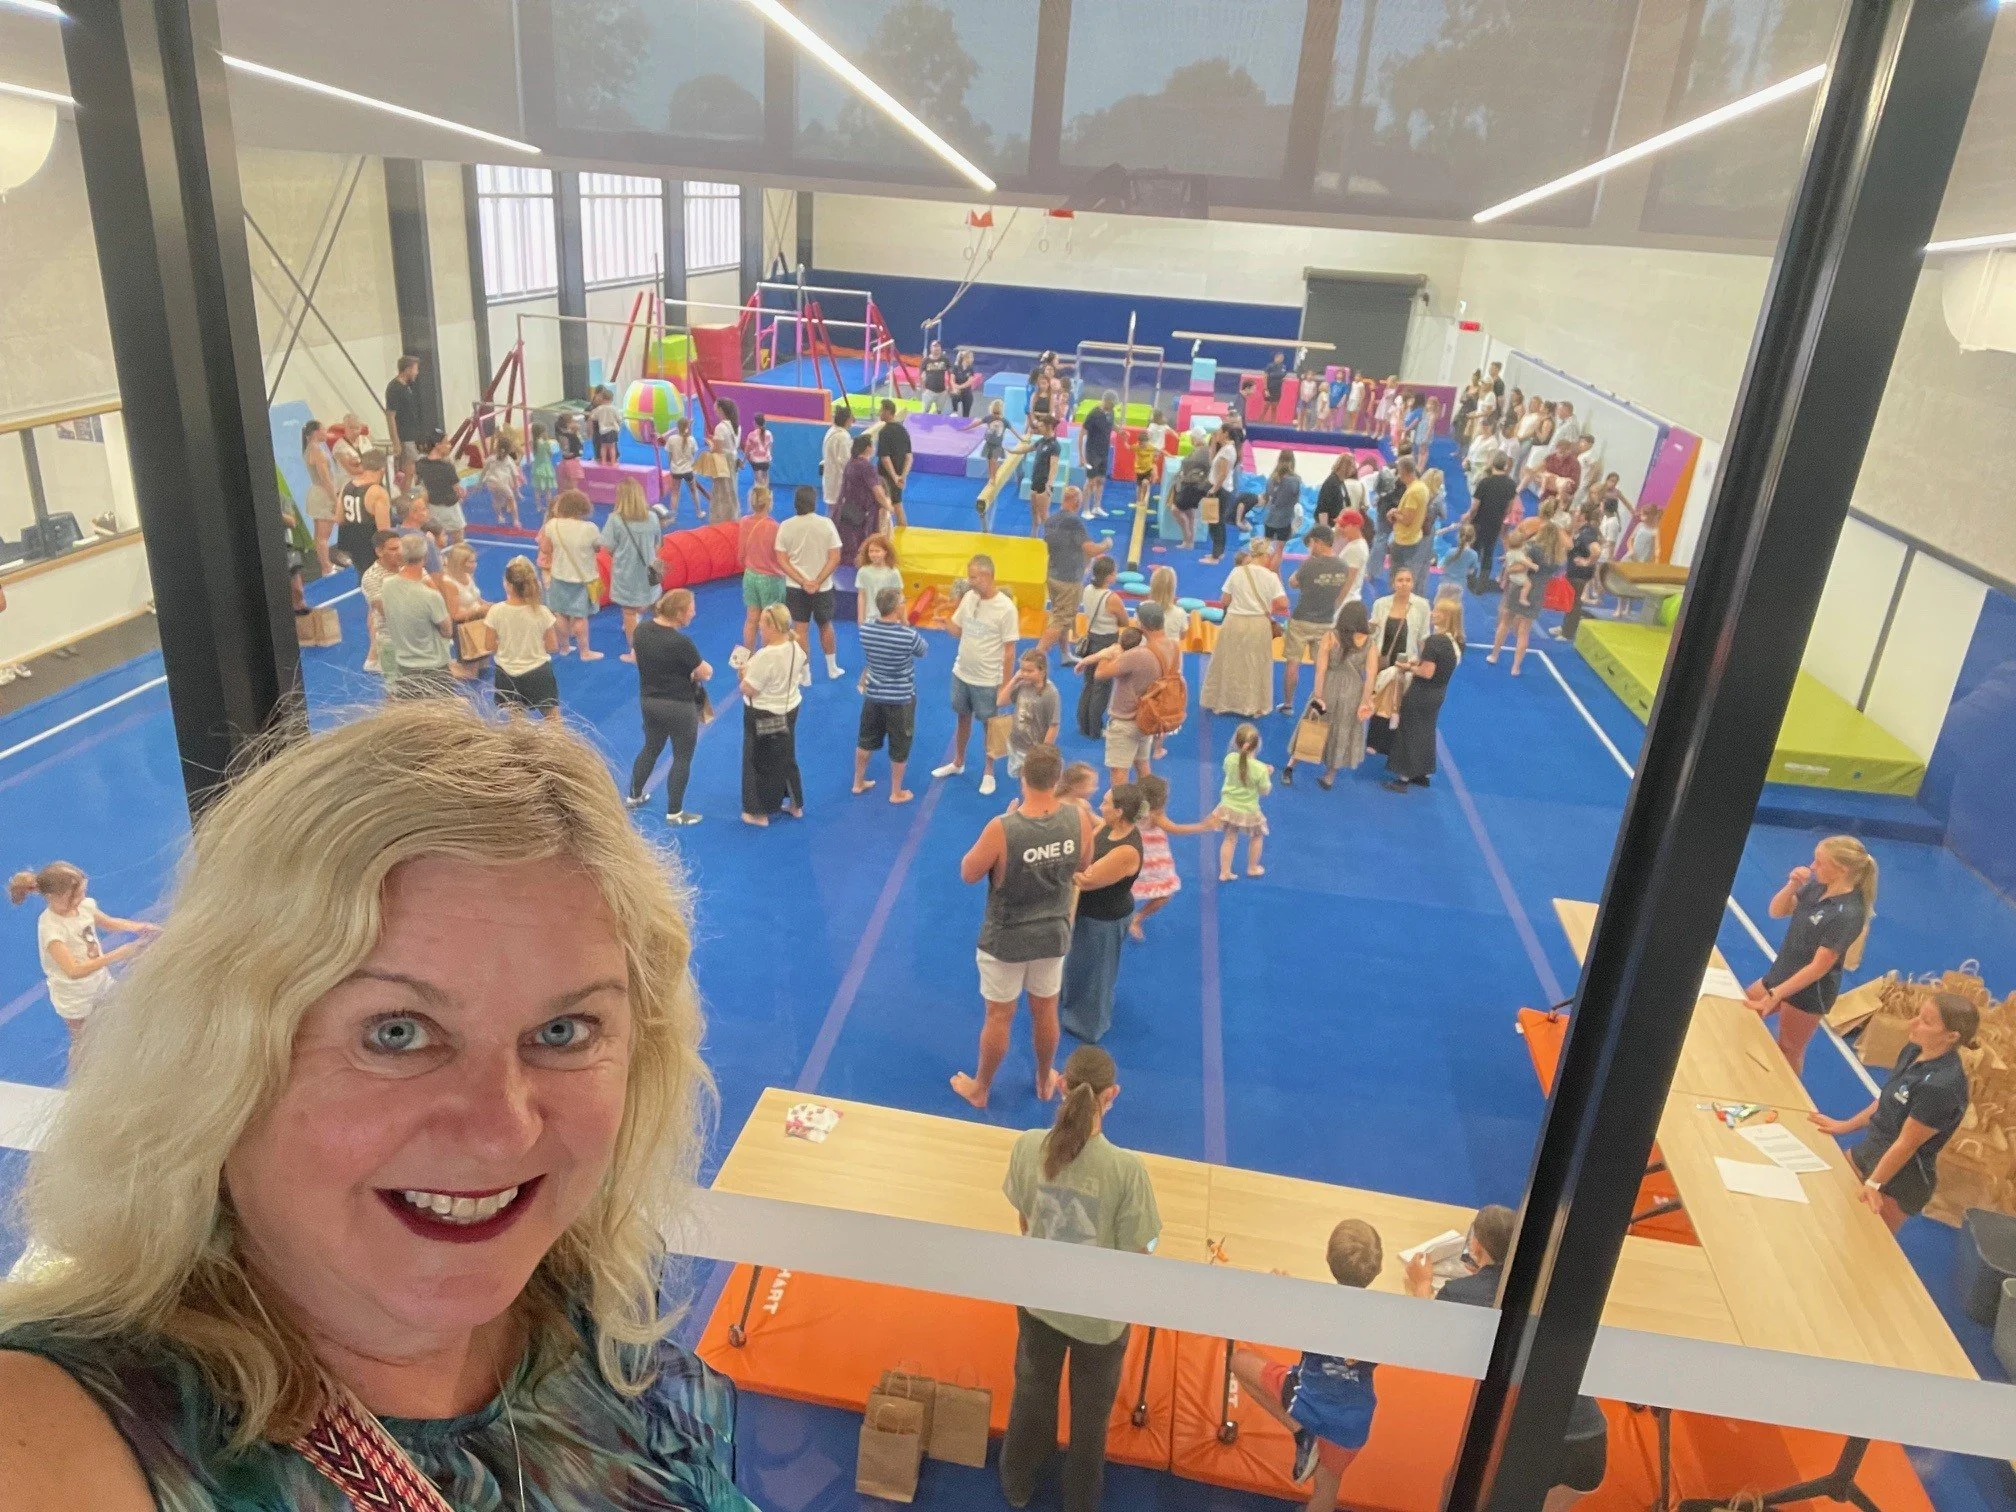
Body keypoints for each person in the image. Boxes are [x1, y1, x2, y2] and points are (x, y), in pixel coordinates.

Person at [0, 702, 754, 1511]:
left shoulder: (589, 1303)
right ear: (215, 1062)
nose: (502, 1131)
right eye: (396, 1033)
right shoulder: (61, 1439)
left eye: (563, 1031)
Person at [998, 1045, 1159, 1512]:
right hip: (1100, 1320)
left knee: (1031, 1394)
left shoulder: (1028, 1146)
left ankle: (1017, 1483)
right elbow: (1140, 1249)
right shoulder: (1127, 1172)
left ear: (1061, 1087)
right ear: (1112, 1096)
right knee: (1090, 1421)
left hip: (1039, 1303)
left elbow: (1025, 1221)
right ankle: (1079, 1502)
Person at [1405, 1206, 1608, 1512]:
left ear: (1476, 1246)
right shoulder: (1551, 1285)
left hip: (1529, 1438)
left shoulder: (1461, 1293)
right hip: (1589, 1442)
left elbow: (1428, 1330)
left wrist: (1422, 1283)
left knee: (1456, 1492)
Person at [952, 745, 1090, 1110]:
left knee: (999, 1015)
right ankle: (1045, 1078)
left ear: (1022, 778)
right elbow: (1083, 862)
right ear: (1057, 779)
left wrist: (1007, 825)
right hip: (1052, 933)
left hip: (1007, 937)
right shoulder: (1078, 820)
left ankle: (981, 1089)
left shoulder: (1003, 828)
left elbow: (968, 872)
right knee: (1045, 1011)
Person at [1229, 1220, 1384, 1512]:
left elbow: (1271, 1315)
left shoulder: (1313, 1307)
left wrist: (1281, 1291)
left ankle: (1301, 1430)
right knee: (1327, 1491)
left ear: (1328, 1259)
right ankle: (1307, 1438)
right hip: (1352, 1423)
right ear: (1377, 1268)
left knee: (1239, 1362)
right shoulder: (1386, 1318)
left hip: (1307, 1402)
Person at [1814, 992, 1977, 1233]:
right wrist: (1843, 1126)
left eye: (1925, 1022)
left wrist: (1874, 1183)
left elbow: (1906, 1144)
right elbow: (1886, 1099)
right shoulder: (1913, 1050)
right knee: (1822, 1203)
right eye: (1918, 1016)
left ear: (1951, 1036)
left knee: (1862, 1246)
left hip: (1900, 1180)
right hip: (1870, 1152)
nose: (1913, 1023)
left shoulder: (1942, 1087)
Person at [1746, 835, 1879, 1073]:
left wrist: (1777, 994)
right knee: (1742, 1015)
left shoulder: (1848, 914)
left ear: (1841, 870)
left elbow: (1819, 967)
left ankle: (1789, 1103)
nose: (1812, 866)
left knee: (1788, 1049)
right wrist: (1792, 885)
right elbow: (1776, 911)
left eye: (1819, 862)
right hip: (1782, 974)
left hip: (1809, 991)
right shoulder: (1818, 886)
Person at [9, 861, 156, 1054]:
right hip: (74, 995)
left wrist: (139, 927)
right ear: (52, 897)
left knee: (117, 1013)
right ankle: (80, 1077)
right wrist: (118, 954)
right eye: (75, 896)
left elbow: (109, 923)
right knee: (81, 1041)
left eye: (83, 893)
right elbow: (73, 971)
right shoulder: (51, 928)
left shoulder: (84, 906)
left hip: (99, 981)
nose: (81, 899)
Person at [1058, 786, 1145, 1045]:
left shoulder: (1126, 851)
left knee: (1097, 973)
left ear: (1119, 812)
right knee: (1078, 963)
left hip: (1105, 919)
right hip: (1088, 912)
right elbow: (1088, 848)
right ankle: (1072, 1000)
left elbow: (1085, 879)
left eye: (1105, 803)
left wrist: (1049, 862)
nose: (1100, 805)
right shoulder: (1110, 827)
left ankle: (1089, 1025)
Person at [932, 555, 1021, 797]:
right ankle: (958, 762)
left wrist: (1005, 686)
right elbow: (958, 630)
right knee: (962, 718)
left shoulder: (1006, 609)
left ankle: (989, 771)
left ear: (988, 576)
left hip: (987, 679)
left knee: (989, 727)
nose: (969, 581)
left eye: (973, 577)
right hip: (962, 672)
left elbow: (1010, 650)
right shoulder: (970, 598)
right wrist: (944, 623)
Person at [628, 588, 710, 826]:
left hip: (649, 701)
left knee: (651, 748)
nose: (694, 614)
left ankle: (633, 795)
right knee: (682, 756)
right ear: (679, 613)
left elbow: (635, 658)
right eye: (691, 610)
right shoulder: (681, 642)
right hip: (678, 706)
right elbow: (705, 672)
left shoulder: (641, 630)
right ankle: (675, 813)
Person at [1090, 602, 1176, 789]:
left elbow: (1100, 673)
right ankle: (1150, 807)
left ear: (1141, 623)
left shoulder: (1139, 654)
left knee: (1119, 772)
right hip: (1149, 717)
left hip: (1126, 719)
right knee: (1142, 765)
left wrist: (1110, 652)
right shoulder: (1173, 647)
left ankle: (1123, 813)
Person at [1287, 599, 1371, 790]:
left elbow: (1321, 669)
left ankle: (1291, 766)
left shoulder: (1331, 637)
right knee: (1343, 731)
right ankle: (1330, 776)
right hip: (1353, 691)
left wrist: (1318, 696)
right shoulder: (1369, 643)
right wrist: (1366, 701)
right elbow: (1371, 675)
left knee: (1311, 724)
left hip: (1329, 686)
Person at [1381, 597, 1462, 793]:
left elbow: (1427, 672)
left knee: (1409, 731)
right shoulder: (1455, 642)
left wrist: (1408, 668)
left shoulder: (1435, 642)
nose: (1433, 614)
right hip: (1438, 692)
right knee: (1425, 732)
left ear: (1446, 617)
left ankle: (1403, 776)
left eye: (1437, 612)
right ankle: (1422, 773)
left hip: (1421, 693)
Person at [855, 586, 927, 804]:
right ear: (897, 608)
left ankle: (858, 782)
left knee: (865, 740)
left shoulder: (866, 630)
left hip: (874, 694)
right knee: (900, 745)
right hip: (900, 698)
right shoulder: (907, 635)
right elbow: (923, 650)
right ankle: (896, 791)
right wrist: (904, 622)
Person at [739, 603, 804, 827]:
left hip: (763, 714)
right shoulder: (796, 647)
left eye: (762, 624)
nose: (759, 628)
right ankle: (795, 804)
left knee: (757, 761)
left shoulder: (765, 656)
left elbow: (748, 689)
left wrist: (742, 674)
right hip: (790, 709)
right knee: (786, 756)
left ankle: (757, 813)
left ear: (772, 627)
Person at [1201, 549, 1287, 719]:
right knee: (1255, 665)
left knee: (1228, 661)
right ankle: (1253, 706)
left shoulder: (1237, 571)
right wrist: (1267, 609)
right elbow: (1284, 603)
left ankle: (1223, 702)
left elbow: (1224, 600)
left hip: (1234, 621)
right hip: (1258, 624)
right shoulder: (1270, 576)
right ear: (1263, 556)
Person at [775, 485, 846, 684]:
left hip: (796, 587)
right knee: (825, 625)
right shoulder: (826, 524)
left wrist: (802, 581)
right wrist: (817, 581)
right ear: (814, 502)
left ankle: (805, 675)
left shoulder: (786, 526)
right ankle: (832, 667)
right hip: (821, 587)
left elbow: (782, 560)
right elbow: (835, 557)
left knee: (800, 630)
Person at [1127, 774, 1211, 940]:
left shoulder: (1131, 807)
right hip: (1152, 862)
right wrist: (1203, 826)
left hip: (1132, 853)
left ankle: (1123, 916)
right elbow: (1176, 829)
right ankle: (1138, 917)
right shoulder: (1156, 816)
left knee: (1124, 888)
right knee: (1165, 893)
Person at [1279, 525, 1351, 715]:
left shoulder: (1310, 564)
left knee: (1293, 663)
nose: (1310, 547)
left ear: (1318, 542)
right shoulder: (1343, 566)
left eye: (1311, 543)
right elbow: (1341, 594)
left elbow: (1293, 583)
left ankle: (1288, 704)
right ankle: (1322, 704)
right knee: (1323, 667)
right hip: (1326, 621)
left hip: (1302, 619)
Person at [1038, 485, 1113, 663]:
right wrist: (1106, 544)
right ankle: (1037, 656)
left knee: (1063, 616)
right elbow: (1090, 549)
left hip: (1053, 575)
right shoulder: (1074, 522)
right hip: (1068, 579)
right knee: (1061, 619)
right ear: (1077, 502)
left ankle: (1065, 653)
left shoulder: (1050, 520)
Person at [1362, 567, 1430, 758]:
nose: (1404, 583)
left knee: (1399, 703)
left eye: (1408, 580)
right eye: (1400, 580)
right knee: (1380, 698)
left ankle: (1394, 742)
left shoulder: (1422, 605)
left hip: (1405, 662)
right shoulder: (1381, 604)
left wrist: (1423, 662)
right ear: (1393, 583)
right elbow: (1374, 634)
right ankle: (1374, 741)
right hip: (1383, 660)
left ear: (1413, 583)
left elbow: (1423, 636)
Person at [1488, 509, 1566, 676]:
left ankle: (1494, 654)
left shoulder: (1532, 548)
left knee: (1505, 622)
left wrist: (1508, 569)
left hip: (1519, 585)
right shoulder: (1557, 557)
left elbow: (1520, 564)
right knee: (1524, 631)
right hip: (1538, 591)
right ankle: (1516, 667)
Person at [378, 534, 455, 700]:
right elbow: (448, 631)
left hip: (404, 667)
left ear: (401, 556)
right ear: (425, 558)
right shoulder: (431, 596)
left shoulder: (387, 585)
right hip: (434, 668)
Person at [484, 556, 560, 717]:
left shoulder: (496, 611)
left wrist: (508, 648)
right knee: (553, 719)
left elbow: (489, 645)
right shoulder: (541, 611)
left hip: (506, 673)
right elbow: (553, 646)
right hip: (538, 673)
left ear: (508, 585)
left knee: (517, 722)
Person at [600, 478, 664, 662]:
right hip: (648, 571)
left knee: (628, 611)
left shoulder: (615, 520)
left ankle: (635, 653)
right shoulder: (652, 517)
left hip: (626, 572)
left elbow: (608, 547)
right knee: (650, 600)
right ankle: (653, 635)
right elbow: (658, 543)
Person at [537, 489, 602, 661]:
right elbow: (598, 548)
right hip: (583, 579)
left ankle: (564, 647)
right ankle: (585, 651)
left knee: (560, 613)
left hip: (559, 575)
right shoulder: (590, 528)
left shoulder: (553, 525)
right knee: (580, 616)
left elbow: (545, 549)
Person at [1073, 556, 1129, 738]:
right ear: (1109, 576)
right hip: (1107, 642)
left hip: (1091, 638)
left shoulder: (1088, 589)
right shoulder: (1112, 598)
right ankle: (1096, 728)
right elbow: (1124, 621)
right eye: (1114, 573)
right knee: (1102, 687)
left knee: (1088, 684)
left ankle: (1084, 724)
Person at [736, 484, 788, 652]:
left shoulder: (744, 522)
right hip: (770, 578)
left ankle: (748, 656)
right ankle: (768, 655)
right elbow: (780, 556)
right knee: (772, 621)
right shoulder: (774, 526)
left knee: (751, 619)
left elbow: (740, 553)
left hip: (750, 575)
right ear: (769, 503)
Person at [999, 649, 1061, 780]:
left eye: (1029, 671)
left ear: (1042, 671)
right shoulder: (1022, 685)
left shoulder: (1050, 693)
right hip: (1017, 744)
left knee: (1033, 781)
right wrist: (1015, 678)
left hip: (1033, 749)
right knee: (1023, 778)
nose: (1025, 674)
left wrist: (1044, 752)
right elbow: (1001, 701)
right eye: (1022, 670)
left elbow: (1053, 725)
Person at [335, 446, 393, 583]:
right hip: (370, 544)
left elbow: (338, 518)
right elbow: (383, 532)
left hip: (352, 543)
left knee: (364, 577)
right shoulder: (378, 492)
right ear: (382, 470)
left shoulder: (347, 486)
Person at [438, 543, 490, 681]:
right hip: (462, 627)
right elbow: (454, 615)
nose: (475, 564)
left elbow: (477, 598)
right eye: (471, 562)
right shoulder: (450, 583)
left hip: (475, 621)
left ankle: (453, 665)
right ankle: (438, 671)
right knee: (471, 674)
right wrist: (478, 610)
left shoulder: (468, 576)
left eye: (474, 561)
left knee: (482, 664)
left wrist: (490, 606)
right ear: (460, 563)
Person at [1556, 504, 1603, 643]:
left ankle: (1568, 633)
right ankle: (1565, 627)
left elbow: (1596, 550)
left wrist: (1587, 562)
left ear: (1582, 515)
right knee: (1570, 599)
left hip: (1580, 574)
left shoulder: (1586, 533)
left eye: (1577, 511)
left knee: (1574, 602)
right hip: (1574, 571)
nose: (1574, 512)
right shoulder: (1582, 530)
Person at [358, 530, 402, 677]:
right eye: (393, 549)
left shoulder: (407, 566)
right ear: (379, 551)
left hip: (411, 634)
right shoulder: (371, 578)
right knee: (394, 688)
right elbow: (384, 611)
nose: (400, 552)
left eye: (400, 547)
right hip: (389, 638)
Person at [412, 429, 466, 547]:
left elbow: (419, 483)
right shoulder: (447, 466)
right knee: (458, 537)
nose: (449, 445)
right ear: (437, 445)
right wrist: (462, 494)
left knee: (436, 538)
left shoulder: (420, 464)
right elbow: (458, 489)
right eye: (446, 442)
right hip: (450, 507)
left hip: (432, 507)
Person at [299, 420, 340, 573]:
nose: (326, 432)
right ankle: (326, 567)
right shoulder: (316, 451)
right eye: (324, 429)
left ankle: (326, 565)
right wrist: (335, 500)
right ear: (316, 432)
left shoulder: (311, 449)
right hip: (323, 494)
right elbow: (325, 478)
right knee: (323, 535)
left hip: (318, 493)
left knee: (320, 536)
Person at [382, 354, 423, 490]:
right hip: (404, 436)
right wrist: (396, 442)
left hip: (410, 435)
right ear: (408, 369)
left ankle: (404, 496)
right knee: (408, 470)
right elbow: (390, 416)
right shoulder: (395, 388)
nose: (417, 372)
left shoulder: (407, 386)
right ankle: (404, 499)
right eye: (415, 369)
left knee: (409, 470)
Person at [874, 398, 913, 528]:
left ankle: (882, 535)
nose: (879, 413)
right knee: (898, 504)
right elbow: (909, 456)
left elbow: (885, 458)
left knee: (884, 507)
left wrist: (893, 476)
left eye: (881, 410)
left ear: (887, 411)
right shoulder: (903, 430)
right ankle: (903, 531)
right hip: (898, 476)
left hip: (886, 477)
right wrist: (903, 475)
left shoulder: (884, 432)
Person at [1080, 391, 1117, 518]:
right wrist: (1081, 456)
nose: (1113, 407)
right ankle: (1085, 509)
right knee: (1090, 481)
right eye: (1111, 404)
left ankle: (1096, 506)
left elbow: (1111, 424)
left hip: (1104, 451)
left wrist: (1120, 431)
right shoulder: (1094, 414)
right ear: (1105, 401)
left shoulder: (1111, 412)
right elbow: (1081, 434)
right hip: (1092, 452)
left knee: (1101, 480)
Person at [705, 398, 741, 521]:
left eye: (716, 408)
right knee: (731, 490)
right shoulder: (736, 426)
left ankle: (721, 520)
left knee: (721, 493)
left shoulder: (720, 427)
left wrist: (711, 445)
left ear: (721, 409)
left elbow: (717, 451)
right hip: (732, 461)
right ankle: (733, 517)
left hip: (723, 463)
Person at [1026, 416, 1063, 534]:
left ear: (1049, 427)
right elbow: (1027, 449)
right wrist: (1012, 451)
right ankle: (1034, 535)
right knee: (1034, 513)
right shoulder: (1041, 441)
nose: (1038, 428)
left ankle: (1051, 539)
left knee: (1044, 515)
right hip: (1035, 480)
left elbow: (1054, 467)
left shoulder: (1054, 445)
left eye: (1041, 426)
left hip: (1044, 482)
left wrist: (1049, 483)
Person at [482, 428, 522, 529]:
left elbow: (484, 471)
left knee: (496, 499)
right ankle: (516, 520)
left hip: (491, 483)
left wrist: (479, 484)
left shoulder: (491, 458)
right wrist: (516, 489)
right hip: (502, 484)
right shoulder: (509, 460)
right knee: (511, 499)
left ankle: (499, 516)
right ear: (509, 449)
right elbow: (514, 475)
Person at [1132, 409, 1169, 515]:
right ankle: (1139, 499)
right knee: (1140, 484)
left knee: (1145, 481)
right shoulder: (1152, 429)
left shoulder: (1150, 443)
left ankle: (1142, 499)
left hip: (1149, 460)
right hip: (1142, 467)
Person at [666, 414, 702, 521]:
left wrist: (672, 467)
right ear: (687, 427)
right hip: (688, 470)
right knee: (694, 491)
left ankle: (672, 517)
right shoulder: (691, 439)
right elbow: (694, 454)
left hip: (676, 470)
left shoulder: (672, 439)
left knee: (675, 493)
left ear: (677, 427)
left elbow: (670, 456)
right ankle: (699, 512)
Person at [1261, 451, 1302, 545]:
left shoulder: (1272, 478)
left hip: (1270, 519)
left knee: (1266, 548)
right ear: (1293, 462)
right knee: (1279, 550)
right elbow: (1296, 502)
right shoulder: (1295, 480)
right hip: (1285, 520)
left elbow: (1266, 497)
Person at [820, 402, 853, 513]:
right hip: (838, 478)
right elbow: (845, 460)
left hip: (830, 475)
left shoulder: (831, 431)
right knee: (837, 509)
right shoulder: (843, 436)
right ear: (847, 420)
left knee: (831, 506)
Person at [589, 384, 624, 466]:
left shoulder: (599, 408)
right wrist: (618, 426)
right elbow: (619, 419)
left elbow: (592, 417)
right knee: (612, 447)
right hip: (612, 430)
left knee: (603, 447)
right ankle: (612, 462)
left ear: (602, 399)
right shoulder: (614, 409)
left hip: (603, 431)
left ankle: (603, 461)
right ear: (611, 399)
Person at [529, 420, 558, 516]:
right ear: (542, 432)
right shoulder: (545, 443)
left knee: (537, 489)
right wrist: (546, 441)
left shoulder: (532, 442)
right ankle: (549, 507)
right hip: (545, 466)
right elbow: (550, 454)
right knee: (548, 489)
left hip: (537, 466)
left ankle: (538, 506)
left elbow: (535, 453)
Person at [555, 412, 586, 494]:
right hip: (572, 462)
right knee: (573, 486)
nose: (575, 423)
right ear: (568, 424)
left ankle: (562, 499)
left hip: (564, 461)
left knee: (563, 485)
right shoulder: (573, 436)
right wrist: (577, 432)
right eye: (573, 421)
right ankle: (573, 500)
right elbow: (580, 447)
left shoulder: (559, 433)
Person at [918, 339, 952, 415]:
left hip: (942, 391)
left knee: (939, 412)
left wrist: (950, 386)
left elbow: (951, 373)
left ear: (940, 348)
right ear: (931, 348)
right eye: (934, 346)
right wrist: (922, 388)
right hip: (929, 391)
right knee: (925, 411)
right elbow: (920, 374)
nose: (936, 348)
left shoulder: (945, 359)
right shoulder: (926, 360)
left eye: (938, 346)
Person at [950, 347, 978, 418]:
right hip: (957, 392)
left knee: (966, 415)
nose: (973, 359)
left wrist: (959, 387)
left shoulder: (970, 369)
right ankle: (954, 412)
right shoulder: (956, 367)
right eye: (971, 357)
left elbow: (969, 382)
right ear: (965, 358)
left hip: (966, 393)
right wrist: (955, 387)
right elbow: (952, 380)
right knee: (954, 395)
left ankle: (965, 423)